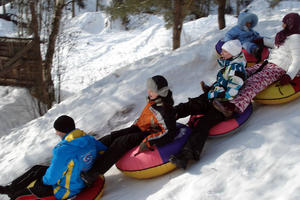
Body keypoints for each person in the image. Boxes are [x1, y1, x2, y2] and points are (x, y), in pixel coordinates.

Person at [80, 75, 177, 186]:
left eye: (152, 90)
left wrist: (149, 141)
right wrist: (134, 126)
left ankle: (92, 174)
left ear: (161, 91)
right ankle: (87, 155)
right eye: (149, 88)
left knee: (121, 142)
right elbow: (148, 117)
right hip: (141, 127)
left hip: (152, 132)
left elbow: (170, 132)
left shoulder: (165, 109)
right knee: (113, 136)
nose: (149, 91)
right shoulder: (154, 100)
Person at [169, 39, 247, 169]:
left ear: (232, 53)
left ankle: (187, 156)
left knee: (203, 124)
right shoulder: (230, 63)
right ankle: (167, 116)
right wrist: (212, 89)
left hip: (223, 106)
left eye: (224, 51)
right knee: (191, 105)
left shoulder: (237, 69)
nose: (221, 53)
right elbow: (223, 83)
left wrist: (215, 93)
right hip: (214, 97)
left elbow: (232, 91)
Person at [0, 115, 107, 200]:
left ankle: (13, 193)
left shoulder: (63, 150)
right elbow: (103, 151)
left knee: (27, 190)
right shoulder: (88, 139)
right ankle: (10, 188)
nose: (56, 133)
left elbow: (51, 179)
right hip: (83, 179)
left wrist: (42, 181)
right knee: (37, 169)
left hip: (68, 189)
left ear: (61, 131)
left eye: (57, 130)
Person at [214, 13, 300, 116]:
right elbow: (276, 44)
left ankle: (232, 106)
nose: (282, 24)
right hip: (269, 63)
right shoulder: (285, 35)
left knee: (255, 81)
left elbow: (297, 60)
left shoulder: (295, 38)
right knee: (239, 72)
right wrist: (262, 40)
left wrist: (289, 75)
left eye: (285, 22)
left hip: (279, 68)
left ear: (290, 24)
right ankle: (215, 89)